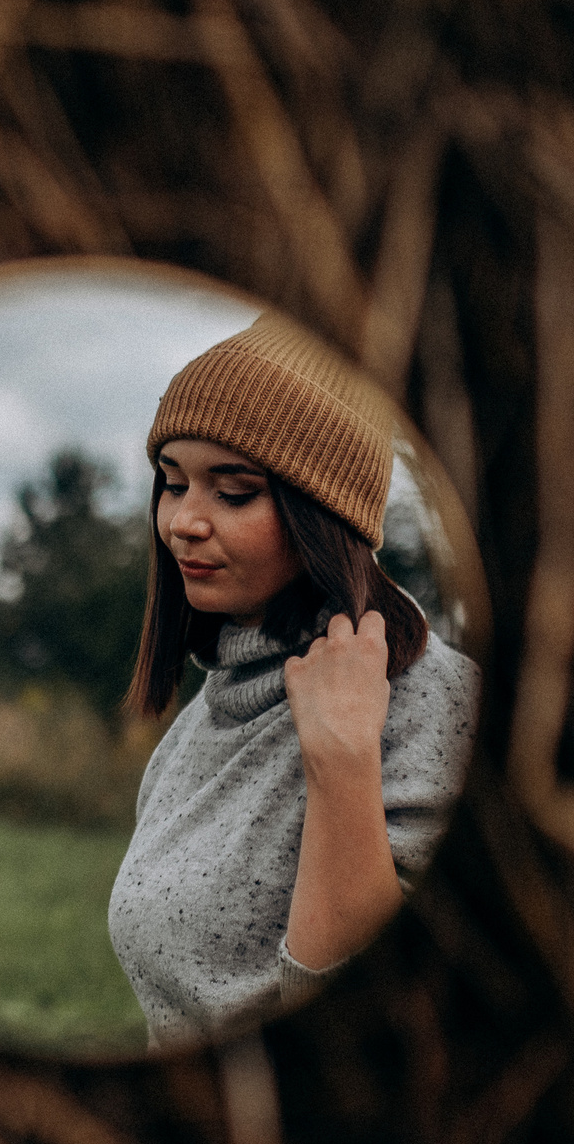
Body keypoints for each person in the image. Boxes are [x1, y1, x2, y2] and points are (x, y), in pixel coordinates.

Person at [106, 313, 478, 1049]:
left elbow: (369, 1029)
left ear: (324, 515)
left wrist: (341, 762)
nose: (182, 522)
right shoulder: (207, 715)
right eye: (173, 484)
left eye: (234, 492)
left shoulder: (435, 706)